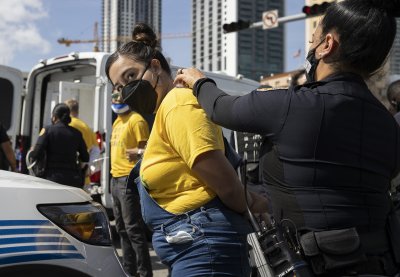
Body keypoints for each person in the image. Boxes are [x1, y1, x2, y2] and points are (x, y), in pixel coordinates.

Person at [175, 0, 400, 275]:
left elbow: (220, 107)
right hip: (383, 263)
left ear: (327, 45)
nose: (309, 44)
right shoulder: (388, 125)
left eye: (313, 37)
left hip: (318, 263)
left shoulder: (288, 106)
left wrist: (199, 80)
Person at [105, 22, 269, 277]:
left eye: (131, 76)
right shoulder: (164, 112)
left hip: (204, 246)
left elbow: (225, 184)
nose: (126, 90)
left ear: (156, 67)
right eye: (118, 86)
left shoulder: (178, 104)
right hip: (190, 245)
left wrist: (256, 204)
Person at [109, 91, 152, 277]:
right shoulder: (117, 121)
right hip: (114, 179)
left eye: (119, 97)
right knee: (121, 230)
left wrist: (138, 151)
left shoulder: (137, 120)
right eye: (114, 97)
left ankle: (144, 273)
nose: (116, 100)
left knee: (133, 229)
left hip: (128, 179)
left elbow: (149, 149)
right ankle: (129, 271)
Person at [30, 103, 89, 188]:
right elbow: (85, 157)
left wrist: (33, 150)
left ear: (54, 117)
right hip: (72, 180)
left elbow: (36, 154)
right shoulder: (77, 133)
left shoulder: (47, 130)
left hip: (51, 179)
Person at [64, 98, 100, 185]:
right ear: (77, 110)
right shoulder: (85, 126)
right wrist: (86, 165)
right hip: (82, 177)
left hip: (64, 174)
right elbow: (96, 150)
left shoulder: (64, 124)